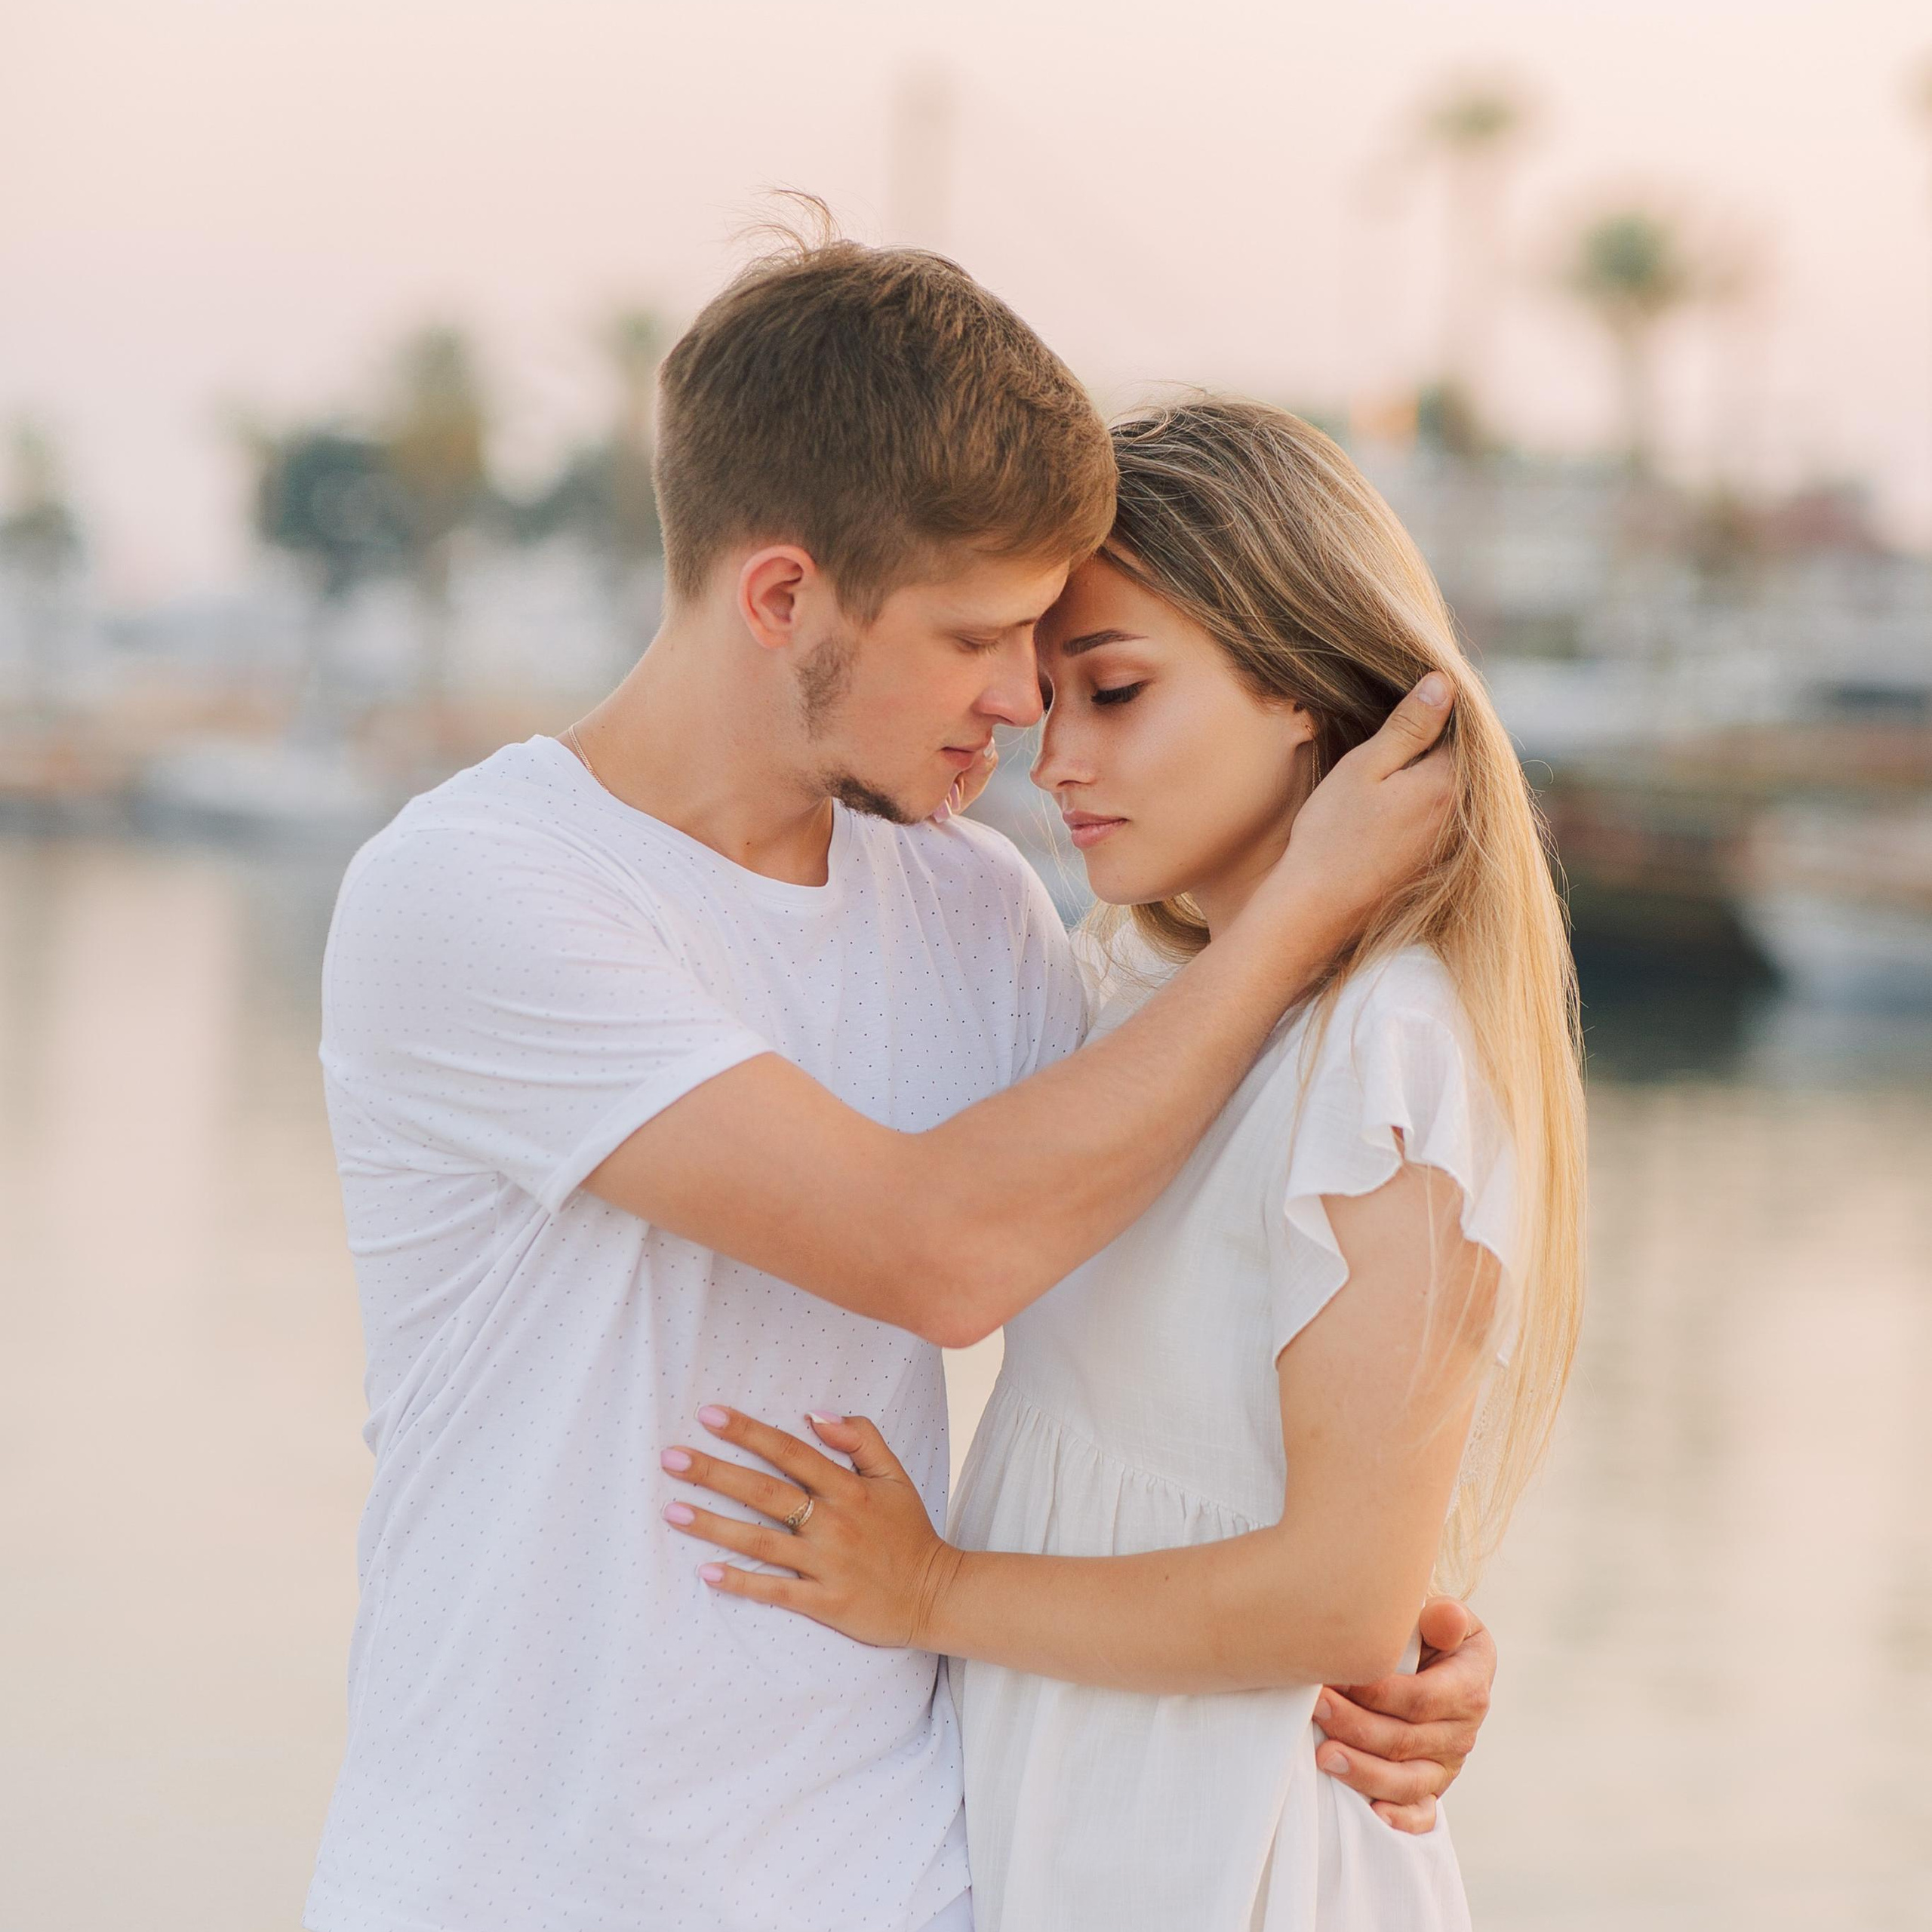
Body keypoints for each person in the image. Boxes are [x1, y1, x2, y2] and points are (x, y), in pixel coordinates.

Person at [305, 219, 1491, 1932]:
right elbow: (939, 1253)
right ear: (783, 595)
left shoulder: (979, 909)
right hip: (518, 1880)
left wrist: (1387, 1610)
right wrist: (1307, 898)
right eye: (977, 637)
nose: (1019, 702)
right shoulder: (477, 893)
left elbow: (1179, 1290)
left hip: (903, 1877)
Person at [662, 398, 1586, 1929]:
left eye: (1115, 694)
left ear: (1297, 688)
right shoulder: (1137, 998)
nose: (1060, 762)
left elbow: (1345, 1597)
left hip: (1234, 1840)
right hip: (1077, 1805)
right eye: (1047, 704)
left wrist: (931, 1590)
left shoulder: (1387, 1045)